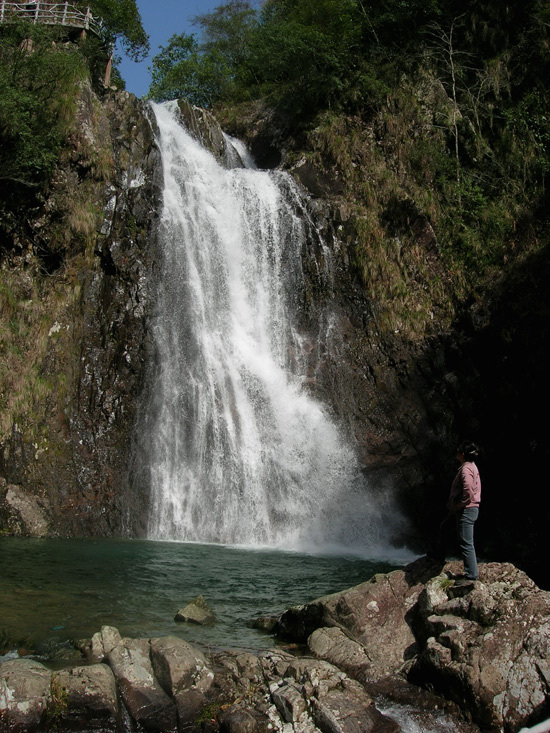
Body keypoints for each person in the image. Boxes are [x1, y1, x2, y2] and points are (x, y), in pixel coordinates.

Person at [447, 441, 481, 582]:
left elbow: (468, 488)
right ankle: (438, 554)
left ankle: (471, 575)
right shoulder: (471, 466)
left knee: (466, 542)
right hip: (467, 509)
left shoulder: (466, 469)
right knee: (445, 527)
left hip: (466, 509)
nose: (456, 452)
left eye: (459, 450)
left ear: (463, 454)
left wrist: (462, 503)